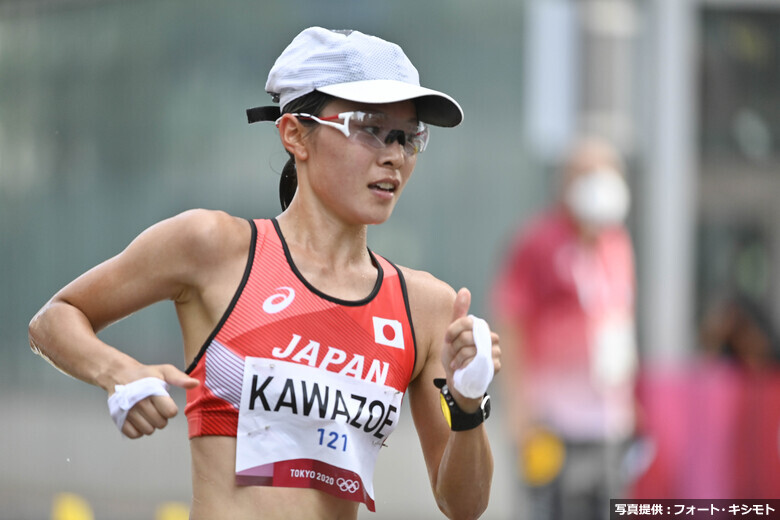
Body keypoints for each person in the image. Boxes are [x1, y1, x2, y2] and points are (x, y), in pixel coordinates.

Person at [28, 27, 500, 520]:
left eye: (407, 137)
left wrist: (469, 405)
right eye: (369, 127)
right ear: (295, 133)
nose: (394, 156)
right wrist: (119, 373)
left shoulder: (426, 306)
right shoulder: (213, 247)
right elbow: (54, 319)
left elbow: (462, 505)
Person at [491, 137, 638, 520]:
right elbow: (512, 323)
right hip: (552, 421)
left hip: (610, 422)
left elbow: (619, 324)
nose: (602, 182)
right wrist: (520, 412)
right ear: (566, 183)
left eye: (609, 173)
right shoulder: (537, 243)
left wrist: (632, 401)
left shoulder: (617, 244)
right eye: (588, 173)